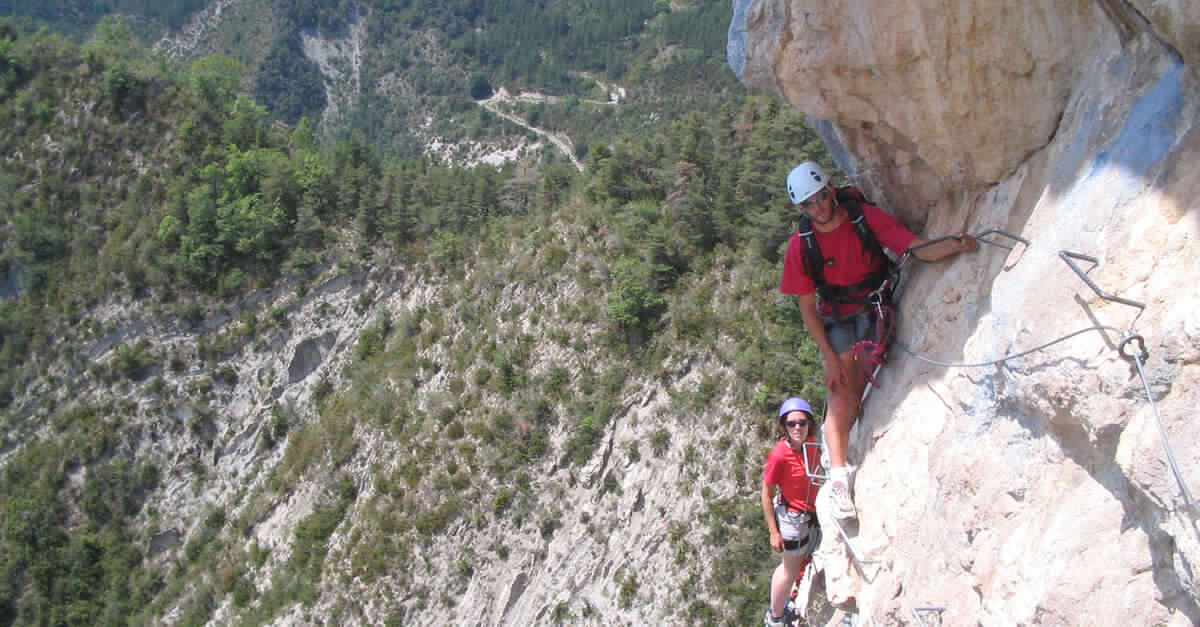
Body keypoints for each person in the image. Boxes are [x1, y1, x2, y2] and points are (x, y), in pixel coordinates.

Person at [780, 162, 978, 520]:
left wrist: (953, 246)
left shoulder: (863, 218)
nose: (819, 207)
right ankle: (838, 479)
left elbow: (915, 247)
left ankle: (839, 439)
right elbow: (807, 308)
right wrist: (828, 356)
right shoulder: (801, 246)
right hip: (837, 317)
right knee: (842, 390)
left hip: (875, 303)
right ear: (802, 209)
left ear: (831, 190)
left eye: (822, 196)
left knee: (858, 380)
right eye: (809, 203)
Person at [762, 397, 822, 627]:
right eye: (792, 423)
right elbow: (766, 494)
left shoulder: (813, 444)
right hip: (792, 518)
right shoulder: (779, 455)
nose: (798, 427)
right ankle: (775, 619)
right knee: (789, 570)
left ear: (810, 424)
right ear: (784, 427)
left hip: (809, 514)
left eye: (802, 422)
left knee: (794, 565)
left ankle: (783, 605)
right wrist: (773, 532)